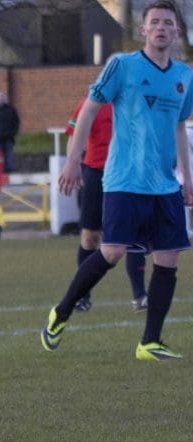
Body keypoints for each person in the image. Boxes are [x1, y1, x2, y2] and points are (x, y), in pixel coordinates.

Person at [41, 0, 193, 361]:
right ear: (143, 30)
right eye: (154, 21)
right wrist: (73, 161)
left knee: (169, 259)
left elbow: (179, 126)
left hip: (164, 185)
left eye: (167, 23)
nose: (160, 27)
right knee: (110, 252)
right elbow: (89, 109)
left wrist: (187, 176)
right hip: (124, 179)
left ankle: (149, 341)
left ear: (175, 31)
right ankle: (61, 312)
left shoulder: (184, 76)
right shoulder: (122, 66)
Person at [64, 97, 148, 313]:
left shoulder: (134, 102)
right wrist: (72, 165)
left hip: (127, 175)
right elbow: (73, 135)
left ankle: (140, 295)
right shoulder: (90, 103)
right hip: (96, 172)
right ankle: (83, 295)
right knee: (90, 236)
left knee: (134, 234)